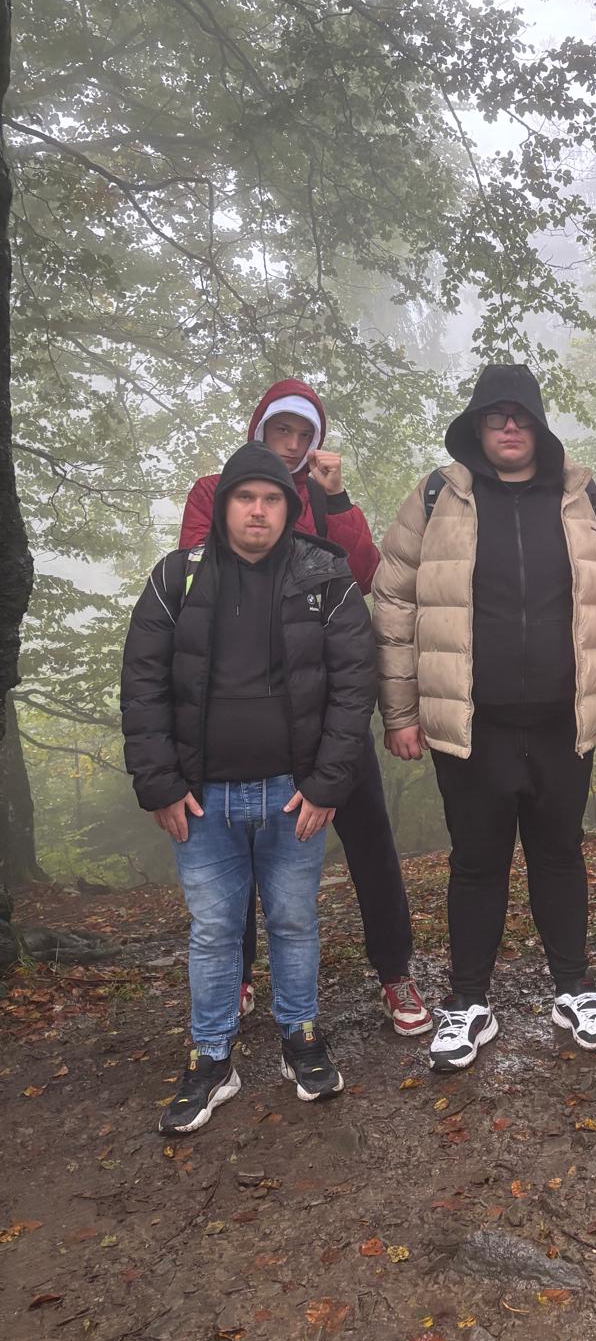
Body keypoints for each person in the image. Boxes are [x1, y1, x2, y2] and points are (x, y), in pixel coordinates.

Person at [372, 363, 596, 1071]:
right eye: (494, 416)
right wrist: (399, 712)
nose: (508, 427)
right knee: (476, 863)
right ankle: (469, 1002)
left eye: (520, 415)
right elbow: (394, 601)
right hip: (472, 724)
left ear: (539, 425)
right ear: (476, 426)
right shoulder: (438, 497)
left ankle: (574, 990)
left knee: (560, 854)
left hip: (564, 720)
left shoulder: (582, 496)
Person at [122, 444, 379, 1132]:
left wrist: (327, 784)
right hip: (201, 801)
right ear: (224, 506)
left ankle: (301, 1039)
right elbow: (142, 686)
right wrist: (159, 784)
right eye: (245, 498)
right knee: (213, 931)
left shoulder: (326, 579)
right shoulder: (176, 578)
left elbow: (355, 686)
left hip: (293, 795)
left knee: (294, 920)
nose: (258, 511)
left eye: (271, 499)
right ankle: (211, 1058)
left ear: (290, 509)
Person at [180, 379, 430, 1038]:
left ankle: (395, 971)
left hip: (328, 709)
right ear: (259, 429)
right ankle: (237, 976)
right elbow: (199, 576)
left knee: (370, 841)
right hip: (243, 709)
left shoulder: (321, 498)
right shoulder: (216, 492)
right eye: (280, 431)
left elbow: (367, 575)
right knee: (240, 849)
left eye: (303, 434)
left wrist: (335, 499)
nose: (291, 445)